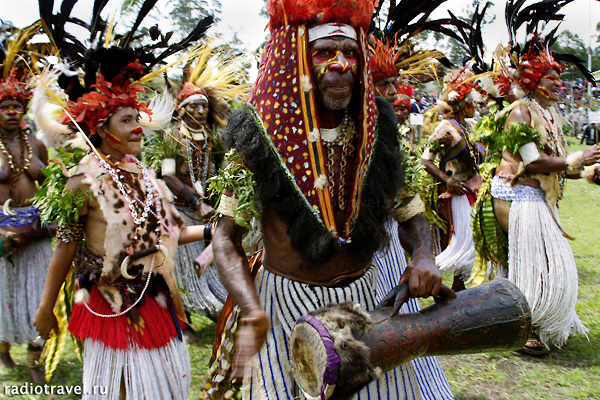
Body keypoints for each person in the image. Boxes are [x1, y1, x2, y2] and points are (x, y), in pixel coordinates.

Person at [206, 1, 445, 399]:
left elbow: (412, 213)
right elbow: (225, 238)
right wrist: (251, 310)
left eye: (350, 53)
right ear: (297, 59)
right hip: (285, 306)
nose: (340, 65)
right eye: (324, 53)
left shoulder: (378, 129)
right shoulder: (259, 136)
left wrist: (423, 256)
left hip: (365, 303)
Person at [32, 61, 213, 399]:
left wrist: (211, 231)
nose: (137, 128)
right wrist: (45, 309)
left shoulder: (145, 174)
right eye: (126, 121)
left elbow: (169, 235)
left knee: (166, 387)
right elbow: (65, 248)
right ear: (101, 129)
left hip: (154, 297)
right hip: (111, 302)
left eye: (136, 119)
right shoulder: (81, 180)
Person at [485, 45, 600, 354]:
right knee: (539, 264)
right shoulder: (521, 111)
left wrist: (589, 171)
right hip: (522, 197)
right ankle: (526, 329)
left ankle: (536, 323)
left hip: (544, 199)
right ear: (534, 79)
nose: (557, 83)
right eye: (550, 77)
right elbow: (532, 163)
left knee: (552, 265)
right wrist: (579, 156)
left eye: (558, 77)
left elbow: (559, 166)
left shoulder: (549, 115)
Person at [0, 69, 50, 384]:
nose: (11, 112)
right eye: (4, 107)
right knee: (4, 297)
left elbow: (50, 189)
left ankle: (34, 359)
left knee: (40, 298)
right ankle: (3, 348)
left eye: (16, 106)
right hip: (2, 235)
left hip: (37, 231)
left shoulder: (36, 144)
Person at [421, 69, 482, 292]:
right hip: (457, 194)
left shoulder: (473, 126)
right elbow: (426, 161)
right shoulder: (445, 128)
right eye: (472, 100)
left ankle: (466, 287)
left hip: (477, 191)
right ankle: (456, 287)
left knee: (477, 239)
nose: (475, 104)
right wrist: (448, 181)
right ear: (462, 104)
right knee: (464, 241)